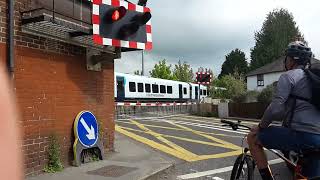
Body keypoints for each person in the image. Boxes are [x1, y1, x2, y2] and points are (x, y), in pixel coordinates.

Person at [247, 41, 320, 180]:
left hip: (303, 135)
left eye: (286, 58)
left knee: (253, 138)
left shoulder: (289, 76)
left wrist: (260, 126)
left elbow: (275, 109)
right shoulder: (314, 79)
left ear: (291, 60)